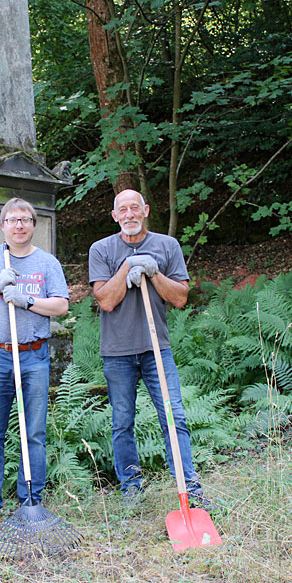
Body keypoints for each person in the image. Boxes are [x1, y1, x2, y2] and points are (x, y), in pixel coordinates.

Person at [88, 188, 215, 509]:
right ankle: (131, 490)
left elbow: (180, 297)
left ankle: (190, 488)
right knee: (122, 422)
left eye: (135, 208)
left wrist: (153, 271)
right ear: (115, 216)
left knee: (174, 417)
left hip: (156, 348)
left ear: (145, 210)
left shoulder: (166, 246)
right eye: (122, 210)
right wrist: (127, 268)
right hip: (117, 351)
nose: (129, 214)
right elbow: (105, 299)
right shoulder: (101, 249)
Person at [0, 197, 69, 527]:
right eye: (13, 220)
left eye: (26, 219)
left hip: (34, 355)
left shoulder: (47, 263)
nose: (19, 225)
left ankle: (31, 500)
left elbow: (61, 306)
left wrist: (27, 300)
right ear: (3, 225)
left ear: (34, 225)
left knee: (33, 432)